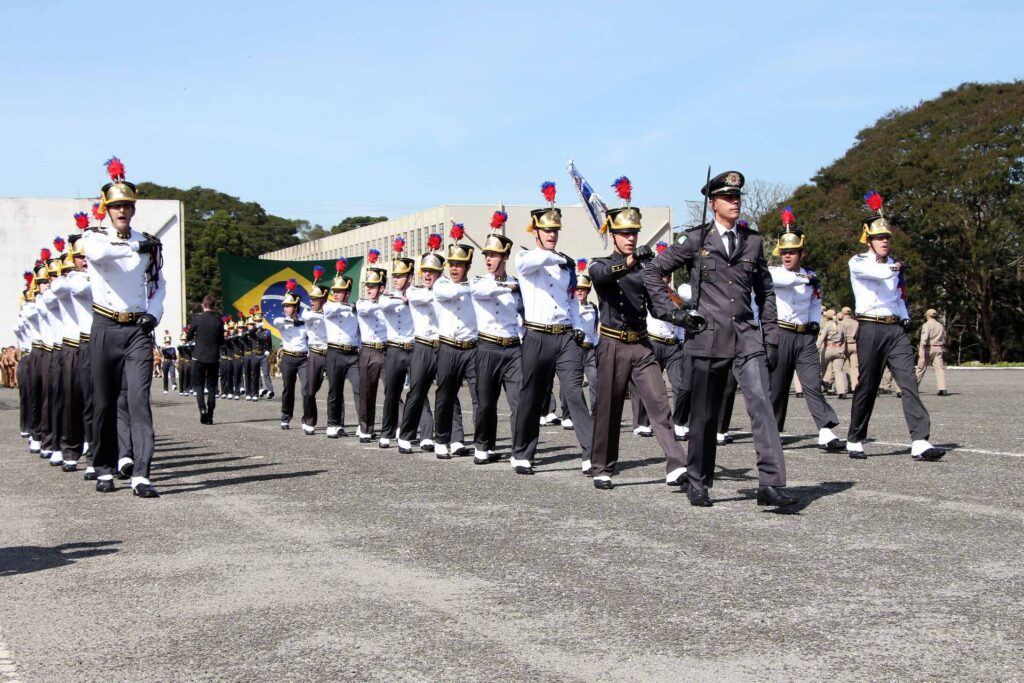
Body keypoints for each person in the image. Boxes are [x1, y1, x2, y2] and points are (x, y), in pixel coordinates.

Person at [642, 170, 795, 508]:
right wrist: (674, 314)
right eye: (728, 197)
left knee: (762, 408)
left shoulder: (753, 241)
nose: (735, 201)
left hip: (745, 336)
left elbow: (766, 292)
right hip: (707, 337)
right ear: (713, 204)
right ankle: (698, 481)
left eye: (737, 196)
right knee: (705, 416)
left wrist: (770, 336)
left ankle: (770, 483)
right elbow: (651, 272)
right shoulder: (695, 240)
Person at [587, 180, 688, 490]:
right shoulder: (602, 264)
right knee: (609, 407)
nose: (630, 238)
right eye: (624, 234)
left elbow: (658, 306)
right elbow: (600, 277)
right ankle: (603, 467)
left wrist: (681, 314)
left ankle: (676, 463)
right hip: (612, 344)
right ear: (613, 236)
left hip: (642, 345)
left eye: (633, 233)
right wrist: (630, 263)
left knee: (659, 403)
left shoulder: (647, 269)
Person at [81, 157, 165, 498]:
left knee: (139, 401)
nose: (122, 212)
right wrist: (133, 246)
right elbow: (101, 255)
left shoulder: (148, 242)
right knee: (103, 402)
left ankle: (141, 474)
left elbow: (160, 283)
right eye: (116, 206)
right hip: (104, 326)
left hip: (136, 331)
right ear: (106, 208)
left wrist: (154, 313)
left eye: (127, 206)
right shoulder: (94, 237)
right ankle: (103, 466)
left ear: (133, 209)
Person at [845, 191, 945, 461]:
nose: (884, 242)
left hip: (894, 330)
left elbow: (898, 296)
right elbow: (875, 274)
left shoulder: (893, 264)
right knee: (867, 386)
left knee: (909, 382)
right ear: (869, 239)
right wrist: (895, 268)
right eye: (879, 238)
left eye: (887, 237)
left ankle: (920, 440)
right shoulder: (859, 261)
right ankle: (855, 437)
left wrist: (904, 317)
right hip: (869, 328)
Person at [510, 182, 594, 475]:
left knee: (574, 393)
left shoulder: (565, 265)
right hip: (536, 336)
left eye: (555, 230)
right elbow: (534, 261)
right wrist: (560, 257)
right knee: (531, 395)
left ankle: (591, 454)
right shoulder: (526, 257)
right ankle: (522, 453)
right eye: (546, 230)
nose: (552, 235)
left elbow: (571, 299)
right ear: (534, 232)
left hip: (564, 337)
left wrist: (577, 327)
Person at [767, 210, 844, 450]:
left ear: (802, 253)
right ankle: (772, 431)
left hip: (804, 336)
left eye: (792, 252)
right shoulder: (774, 272)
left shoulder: (811, 276)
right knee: (777, 388)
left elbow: (815, 302)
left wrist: (814, 324)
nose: (787, 256)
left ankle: (825, 430)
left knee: (812, 383)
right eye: (784, 252)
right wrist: (806, 278)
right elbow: (786, 280)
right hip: (781, 334)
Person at [397, 246, 459, 454]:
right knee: (417, 392)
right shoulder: (414, 291)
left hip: (442, 345)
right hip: (423, 346)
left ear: (440, 273)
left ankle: (456, 438)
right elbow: (427, 298)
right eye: (424, 271)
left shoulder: (448, 289)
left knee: (449, 392)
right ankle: (406, 435)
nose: (426, 275)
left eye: (431, 272)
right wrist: (450, 290)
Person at [470, 225, 523, 464]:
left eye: (493, 255)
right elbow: (485, 291)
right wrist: (511, 286)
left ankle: (519, 450)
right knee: (486, 403)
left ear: (505, 257)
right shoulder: (480, 281)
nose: (488, 259)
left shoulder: (517, 282)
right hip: (487, 347)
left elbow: (525, 310)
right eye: (487, 255)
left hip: (513, 349)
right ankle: (484, 446)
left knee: (520, 401)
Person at [431, 235, 479, 459]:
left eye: (459, 265)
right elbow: (451, 292)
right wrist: (475, 286)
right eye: (452, 265)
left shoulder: (477, 285)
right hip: (448, 348)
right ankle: (442, 439)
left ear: (468, 266)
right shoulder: (442, 284)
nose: (454, 269)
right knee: (445, 396)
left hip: (472, 348)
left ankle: (480, 442)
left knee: (481, 396)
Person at [378, 245, 419, 449]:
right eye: (394, 275)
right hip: (393, 349)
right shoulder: (387, 296)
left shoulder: (417, 293)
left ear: (410, 278)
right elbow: (384, 304)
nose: (395, 279)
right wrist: (403, 299)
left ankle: (422, 433)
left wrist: (411, 297)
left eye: (400, 276)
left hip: (414, 348)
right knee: (391, 394)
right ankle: (387, 431)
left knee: (418, 392)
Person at [322, 259, 360, 438]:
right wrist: (347, 306)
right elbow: (330, 310)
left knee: (360, 388)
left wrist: (354, 307)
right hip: (335, 352)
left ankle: (363, 424)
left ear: (348, 292)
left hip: (352, 354)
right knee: (335, 390)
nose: (336, 294)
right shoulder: (330, 306)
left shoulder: (355, 308)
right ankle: (333, 423)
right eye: (334, 291)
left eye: (340, 291)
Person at [356, 257, 388, 443]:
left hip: (386, 350)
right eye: (367, 285)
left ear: (381, 288)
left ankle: (395, 427)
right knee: (367, 393)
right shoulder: (362, 303)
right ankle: (366, 428)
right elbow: (367, 310)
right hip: (368, 351)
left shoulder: (387, 302)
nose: (369, 289)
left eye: (373, 286)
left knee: (392, 391)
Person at [270, 279, 309, 430]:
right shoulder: (281, 321)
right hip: (288, 358)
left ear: (296, 307)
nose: (285, 308)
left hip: (303, 358)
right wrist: (293, 322)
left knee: (306, 389)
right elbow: (276, 321)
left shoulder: (305, 321)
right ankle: (286, 417)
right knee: (288, 389)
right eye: (284, 306)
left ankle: (307, 419)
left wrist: (301, 322)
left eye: (288, 306)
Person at [187, 294, 224, 424]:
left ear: (203, 305)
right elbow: (221, 340)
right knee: (212, 387)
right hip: (213, 357)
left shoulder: (197, 319)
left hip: (199, 356)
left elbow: (188, 336)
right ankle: (210, 414)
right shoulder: (219, 320)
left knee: (199, 386)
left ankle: (202, 409)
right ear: (214, 306)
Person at [301, 267, 329, 435]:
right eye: (311, 298)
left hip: (331, 352)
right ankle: (309, 419)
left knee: (336, 390)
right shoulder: (307, 312)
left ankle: (336, 423)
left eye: (315, 298)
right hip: (315, 354)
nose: (311, 301)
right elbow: (309, 316)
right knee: (309, 390)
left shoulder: (332, 309)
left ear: (323, 298)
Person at [916, 309, 948, 395]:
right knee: (939, 369)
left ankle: (913, 387)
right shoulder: (940, 325)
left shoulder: (926, 325)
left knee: (920, 368)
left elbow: (924, 338)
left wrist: (921, 349)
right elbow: (944, 337)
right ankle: (942, 389)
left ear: (928, 315)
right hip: (938, 348)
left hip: (928, 349)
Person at [820, 310, 848, 398]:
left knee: (820, 370)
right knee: (839, 372)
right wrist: (842, 350)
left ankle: (817, 389)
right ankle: (841, 392)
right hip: (838, 350)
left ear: (827, 316)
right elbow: (844, 340)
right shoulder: (841, 326)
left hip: (827, 349)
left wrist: (815, 347)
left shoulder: (827, 325)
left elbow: (821, 338)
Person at [839, 306, 860, 391]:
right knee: (854, 367)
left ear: (843, 313)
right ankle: (855, 386)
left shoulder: (841, 323)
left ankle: (841, 387)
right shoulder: (856, 323)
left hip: (845, 345)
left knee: (839, 368)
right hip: (854, 345)